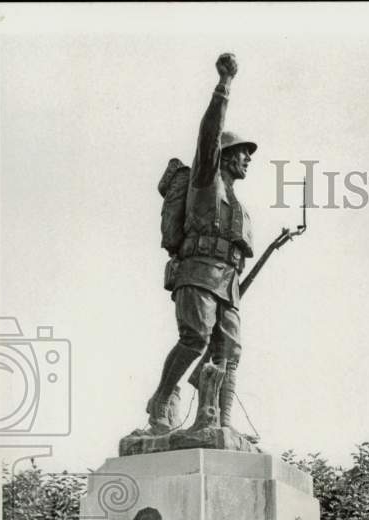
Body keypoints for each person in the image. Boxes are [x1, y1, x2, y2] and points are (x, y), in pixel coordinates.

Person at [143, 52, 256, 437]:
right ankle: (161, 399)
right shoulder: (206, 182)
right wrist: (224, 85)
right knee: (195, 338)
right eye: (242, 152)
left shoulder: (238, 204)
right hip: (198, 271)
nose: (248, 159)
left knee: (230, 352)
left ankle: (218, 421)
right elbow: (209, 132)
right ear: (223, 156)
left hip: (228, 282)